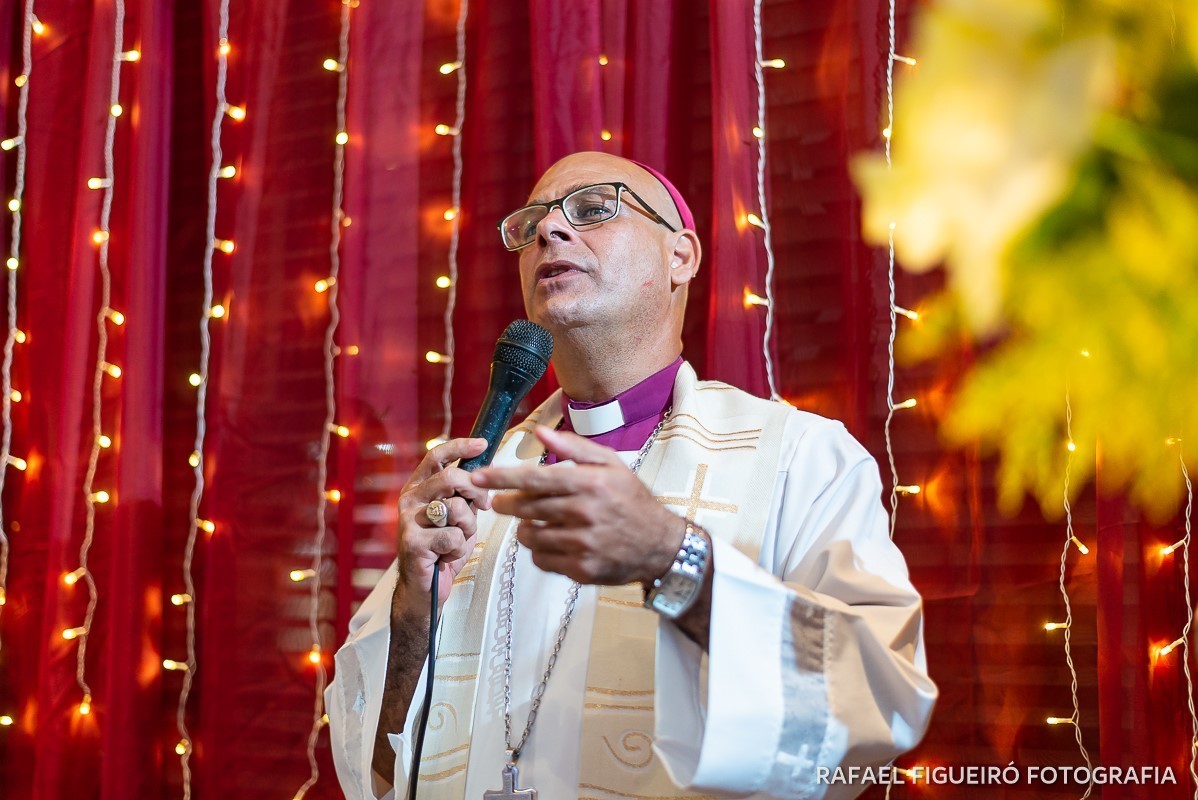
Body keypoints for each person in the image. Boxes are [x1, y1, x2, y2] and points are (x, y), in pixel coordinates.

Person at [325, 152, 938, 800]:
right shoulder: (477, 481)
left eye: (593, 209)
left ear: (681, 257)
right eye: (532, 223)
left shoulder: (801, 458)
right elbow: (376, 769)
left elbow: (881, 695)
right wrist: (413, 611)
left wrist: (673, 559)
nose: (548, 230)